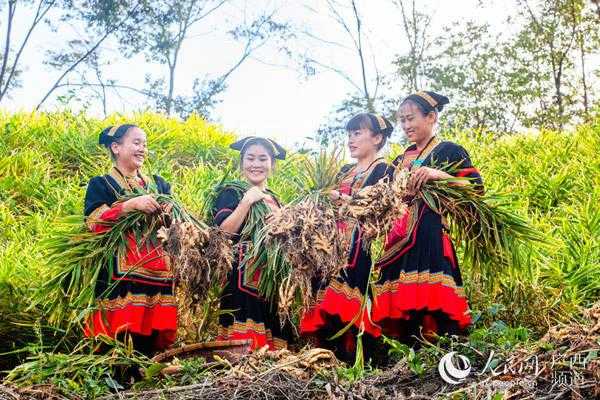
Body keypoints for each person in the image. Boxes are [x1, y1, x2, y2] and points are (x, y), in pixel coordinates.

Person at [372, 91, 483, 344]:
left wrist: (437, 174)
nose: (406, 126)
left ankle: (436, 355)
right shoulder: (401, 159)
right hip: (398, 237)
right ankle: (403, 360)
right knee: (400, 311)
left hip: (429, 232)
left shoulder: (449, 151)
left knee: (431, 307)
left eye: (411, 118)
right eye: (402, 120)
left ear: (431, 117)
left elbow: (475, 188)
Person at [300, 113, 393, 361]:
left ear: (377, 138)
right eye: (349, 134)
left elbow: (381, 208)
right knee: (321, 296)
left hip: (357, 244)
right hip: (328, 244)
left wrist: (342, 200)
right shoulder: (343, 171)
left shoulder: (385, 169)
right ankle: (321, 357)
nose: (350, 140)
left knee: (347, 300)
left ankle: (353, 359)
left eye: (358, 133)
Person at [84, 124, 177, 355]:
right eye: (136, 143)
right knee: (117, 345)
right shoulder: (101, 184)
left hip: (158, 276)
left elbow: (173, 224)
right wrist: (129, 205)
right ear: (116, 147)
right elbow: (94, 223)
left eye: (144, 144)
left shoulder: (159, 184)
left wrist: (169, 213)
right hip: (121, 278)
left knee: (151, 350)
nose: (142, 149)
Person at [212, 136, 289, 350]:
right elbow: (222, 233)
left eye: (263, 159)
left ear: (272, 165)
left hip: (272, 281)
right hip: (240, 281)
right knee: (242, 352)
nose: (256, 164)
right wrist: (246, 202)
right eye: (250, 158)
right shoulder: (230, 192)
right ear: (241, 162)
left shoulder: (276, 200)